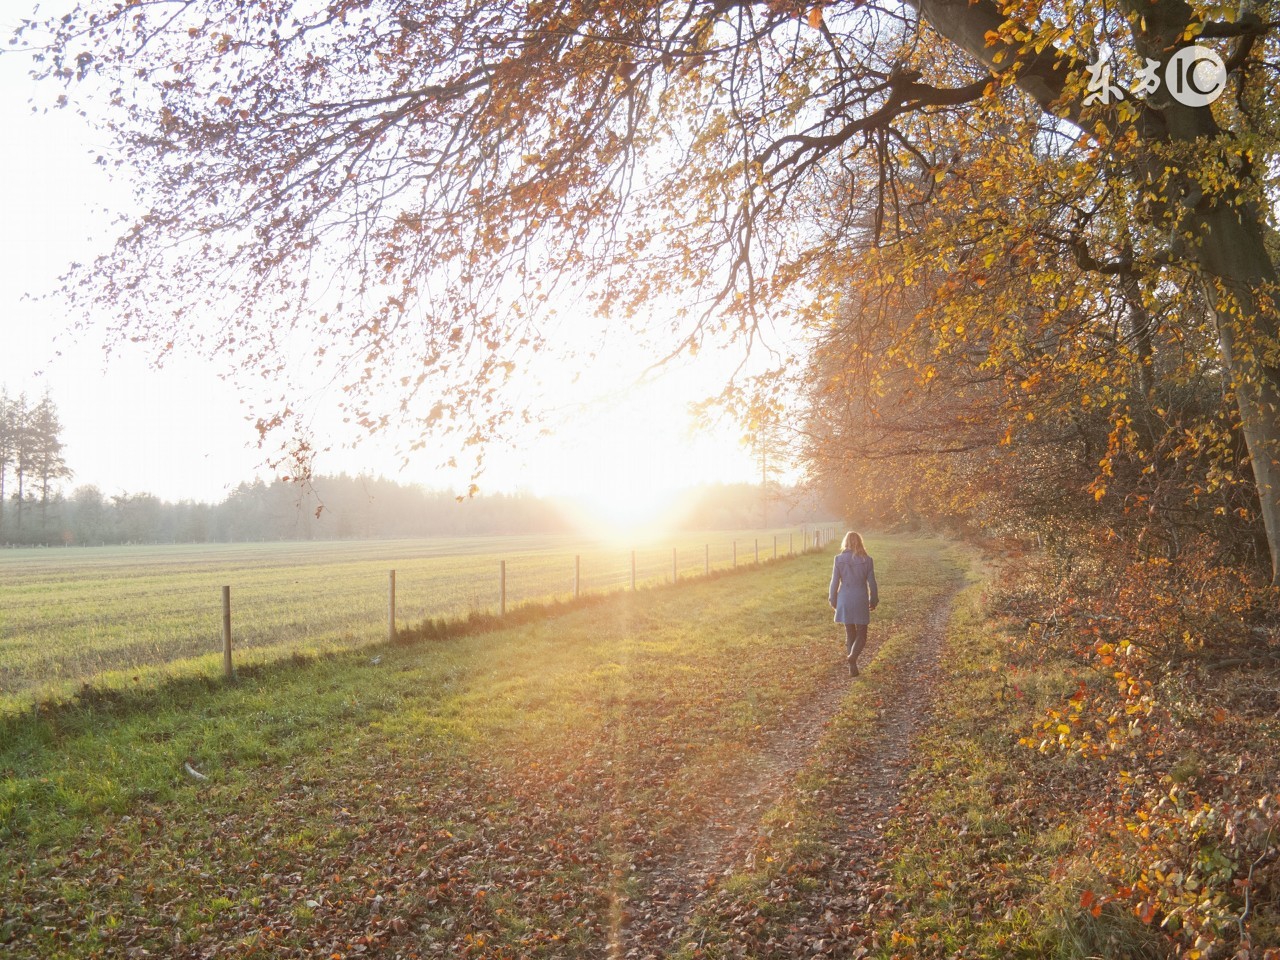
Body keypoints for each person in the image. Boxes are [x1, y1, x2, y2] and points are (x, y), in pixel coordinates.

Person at [829, 531, 878, 677]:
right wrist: (874, 599)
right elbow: (872, 582)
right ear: (860, 542)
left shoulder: (838, 559)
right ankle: (852, 658)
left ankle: (852, 665)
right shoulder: (867, 560)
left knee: (850, 633)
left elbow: (834, 581)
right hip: (860, 598)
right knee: (862, 634)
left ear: (846, 542)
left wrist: (833, 599)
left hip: (844, 598)